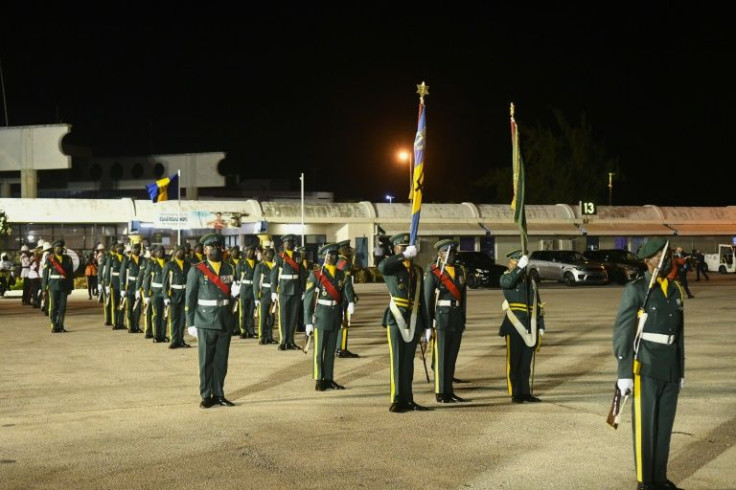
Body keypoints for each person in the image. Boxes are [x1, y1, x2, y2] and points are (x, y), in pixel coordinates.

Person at [613, 237, 685, 490]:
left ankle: (659, 477)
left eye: (666, 256)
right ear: (647, 261)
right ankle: (645, 481)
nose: (664, 260)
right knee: (646, 427)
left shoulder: (674, 289)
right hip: (645, 365)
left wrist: (681, 369)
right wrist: (624, 373)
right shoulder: (636, 289)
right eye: (659, 257)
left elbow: (679, 333)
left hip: (670, 368)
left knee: (664, 427)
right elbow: (623, 331)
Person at [378, 233, 431, 413]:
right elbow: (383, 266)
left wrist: (427, 326)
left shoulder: (417, 271)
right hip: (396, 317)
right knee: (398, 360)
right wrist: (402, 257)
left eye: (407, 247)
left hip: (414, 318)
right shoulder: (392, 268)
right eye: (401, 247)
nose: (406, 250)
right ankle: (397, 398)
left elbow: (422, 299)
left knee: (408, 362)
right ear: (395, 249)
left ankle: (408, 399)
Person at [186, 233, 237, 408]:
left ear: (221, 249)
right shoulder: (197, 269)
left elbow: (231, 294)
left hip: (224, 319)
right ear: (205, 250)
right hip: (205, 320)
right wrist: (190, 322)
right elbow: (190, 298)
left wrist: (236, 294)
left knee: (221, 360)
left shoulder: (229, 268)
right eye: (210, 246)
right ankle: (206, 395)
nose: (214, 249)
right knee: (206, 360)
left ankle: (219, 393)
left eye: (217, 246)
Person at [303, 243, 356, 391]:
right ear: (324, 257)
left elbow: (347, 288)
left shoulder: (340, 274)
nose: (332, 257)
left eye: (334, 254)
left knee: (331, 351)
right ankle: (319, 378)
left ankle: (329, 378)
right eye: (329, 255)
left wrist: (351, 301)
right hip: (321, 315)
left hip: (335, 315)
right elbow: (308, 299)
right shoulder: (316, 275)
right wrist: (307, 321)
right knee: (319, 350)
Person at [423, 239, 469, 404]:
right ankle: (441, 392)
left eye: (453, 252)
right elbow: (428, 300)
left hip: (456, 319)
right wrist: (428, 325)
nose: (450, 255)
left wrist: (463, 318)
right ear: (439, 254)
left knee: (451, 357)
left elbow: (463, 298)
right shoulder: (434, 272)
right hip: (441, 319)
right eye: (446, 252)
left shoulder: (460, 271)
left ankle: (449, 391)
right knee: (441, 358)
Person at [498, 250, 545, 403]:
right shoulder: (506, 277)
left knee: (526, 363)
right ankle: (515, 392)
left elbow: (537, 304)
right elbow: (508, 283)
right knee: (514, 361)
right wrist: (519, 269)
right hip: (514, 324)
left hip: (530, 324)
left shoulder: (530, 281)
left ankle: (525, 392)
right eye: (516, 262)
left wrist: (540, 325)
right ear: (510, 263)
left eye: (521, 262)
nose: (518, 265)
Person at [270, 234, 304, 350]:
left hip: (296, 289)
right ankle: (283, 341)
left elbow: (302, 274)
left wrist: (303, 289)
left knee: (293, 317)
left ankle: (291, 340)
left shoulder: (298, 256)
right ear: (283, 244)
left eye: (291, 242)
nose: (289, 244)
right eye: (287, 242)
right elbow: (273, 274)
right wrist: (273, 291)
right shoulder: (278, 257)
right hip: (283, 289)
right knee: (283, 316)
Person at [41, 240, 74, 333]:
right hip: (53, 286)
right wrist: (44, 289)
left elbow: (70, 275)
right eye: (57, 248)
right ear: (54, 249)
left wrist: (70, 287)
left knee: (62, 307)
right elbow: (45, 275)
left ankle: (61, 326)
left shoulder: (68, 259)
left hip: (64, 286)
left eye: (61, 248)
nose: (60, 249)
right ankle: (54, 326)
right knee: (54, 307)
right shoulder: (50, 259)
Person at [162, 244, 191, 349]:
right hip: (173, 294)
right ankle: (174, 340)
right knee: (174, 319)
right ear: (175, 253)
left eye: (183, 251)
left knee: (183, 319)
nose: (182, 253)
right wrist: (166, 296)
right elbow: (165, 283)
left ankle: (181, 340)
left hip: (185, 294)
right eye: (179, 251)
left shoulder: (188, 265)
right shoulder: (169, 265)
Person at [335, 239, 359, 358]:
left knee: (338, 322)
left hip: (335, 296)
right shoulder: (345, 263)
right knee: (344, 323)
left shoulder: (337, 261)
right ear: (344, 250)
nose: (350, 252)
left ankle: (337, 347)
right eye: (348, 250)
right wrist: (350, 300)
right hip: (343, 297)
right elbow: (347, 284)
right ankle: (342, 348)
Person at [142, 245, 168, 343]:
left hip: (165, 293)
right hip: (155, 293)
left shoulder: (168, 263)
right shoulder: (151, 264)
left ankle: (163, 335)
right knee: (157, 314)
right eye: (158, 251)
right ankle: (156, 336)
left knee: (165, 314)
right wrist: (146, 295)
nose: (161, 253)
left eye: (162, 251)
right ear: (155, 253)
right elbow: (147, 280)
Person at [253, 246, 278, 344]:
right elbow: (256, 282)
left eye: (272, 254)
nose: (270, 256)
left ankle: (270, 336)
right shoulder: (260, 266)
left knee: (271, 316)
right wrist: (256, 297)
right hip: (263, 293)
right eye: (268, 254)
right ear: (264, 255)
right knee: (263, 317)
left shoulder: (275, 265)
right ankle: (262, 336)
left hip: (273, 294)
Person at [234, 244, 258, 339]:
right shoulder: (241, 264)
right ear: (245, 252)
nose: (250, 253)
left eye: (252, 251)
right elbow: (237, 278)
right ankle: (244, 330)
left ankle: (251, 330)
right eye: (248, 251)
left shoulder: (257, 263)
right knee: (244, 311)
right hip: (244, 288)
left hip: (253, 288)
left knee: (252, 311)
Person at [120, 242, 145, 334]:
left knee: (138, 308)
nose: (137, 250)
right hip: (129, 286)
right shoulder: (127, 260)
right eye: (135, 248)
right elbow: (122, 274)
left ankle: (136, 326)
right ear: (132, 249)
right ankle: (131, 326)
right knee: (130, 307)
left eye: (138, 249)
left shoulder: (143, 260)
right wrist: (122, 288)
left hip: (139, 286)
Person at [103, 242, 126, 330]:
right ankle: (114, 322)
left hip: (123, 284)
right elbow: (107, 272)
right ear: (116, 249)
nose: (120, 249)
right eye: (118, 247)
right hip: (114, 284)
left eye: (122, 247)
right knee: (114, 304)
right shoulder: (111, 258)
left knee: (122, 304)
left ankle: (121, 323)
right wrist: (106, 285)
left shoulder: (125, 258)